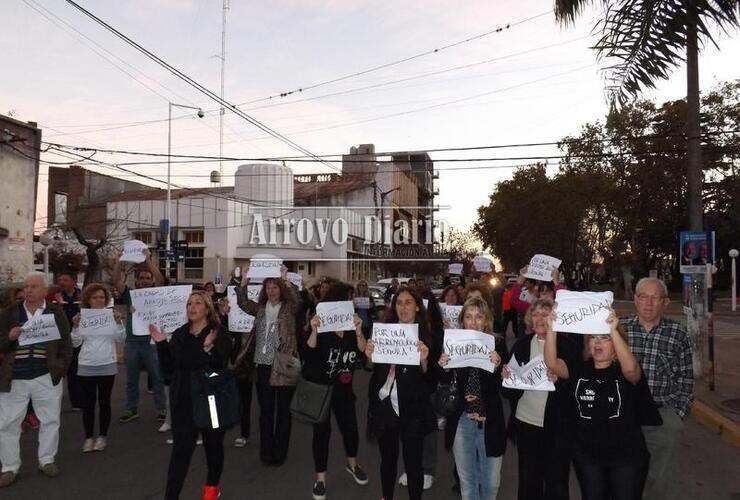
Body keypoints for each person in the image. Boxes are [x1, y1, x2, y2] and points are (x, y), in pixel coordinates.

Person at [544, 307, 657, 500]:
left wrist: (613, 329)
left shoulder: (624, 370)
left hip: (626, 456)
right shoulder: (579, 368)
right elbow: (552, 364)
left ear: (615, 344)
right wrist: (551, 329)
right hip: (588, 455)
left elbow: (632, 371)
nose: (597, 342)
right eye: (593, 338)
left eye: (604, 338)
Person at [151, 290, 232, 500]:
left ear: (207, 308)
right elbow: (170, 370)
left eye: (197, 303)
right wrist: (161, 344)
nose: (192, 307)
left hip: (211, 401)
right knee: (180, 455)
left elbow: (217, 368)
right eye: (189, 303)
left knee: (213, 448)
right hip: (184, 402)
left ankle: (212, 490)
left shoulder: (219, 333)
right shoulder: (179, 334)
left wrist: (206, 354)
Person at [619, 278, 693, 500]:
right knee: (624, 474)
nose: (648, 303)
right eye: (643, 296)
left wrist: (677, 416)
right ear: (635, 299)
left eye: (655, 297)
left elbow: (686, 378)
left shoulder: (677, 333)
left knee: (659, 479)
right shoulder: (619, 329)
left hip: (663, 417)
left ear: (665, 303)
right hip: (625, 417)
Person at [502, 297, 580, 500]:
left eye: (545, 314)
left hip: (558, 427)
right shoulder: (521, 345)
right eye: (535, 314)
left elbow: (577, 384)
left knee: (556, 482)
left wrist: (559, 381)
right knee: (529, 482)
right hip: (526, 422)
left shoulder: (568, 346)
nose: (539, 319)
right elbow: (509, 393)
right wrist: (507, 379)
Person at [0, 272, 73, 487]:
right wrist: (9, 338)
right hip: (14, 377)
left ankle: (47, 460)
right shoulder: (9, 313)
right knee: (8, 423)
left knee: (50, 420)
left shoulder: (56, 312)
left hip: (45, 375)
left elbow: (66, 344)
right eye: (26, 286)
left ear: (44, 290)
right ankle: (9, 467)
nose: (28, 290)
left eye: (33, 286)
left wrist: (60, 368)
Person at [366, 286, 436, 500]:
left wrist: (424, 360)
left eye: (408, 302)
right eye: (399, 302)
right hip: (385, 404)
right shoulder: (384, 332)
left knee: (413, 462)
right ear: (393, 307)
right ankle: (386, 496)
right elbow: (373, 368)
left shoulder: (427, 335)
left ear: (417, 307)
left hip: (412, 408)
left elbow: (433, 379)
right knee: (387, 459)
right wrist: (368, 355)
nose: (403, 307)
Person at [304, 282, 369, 500]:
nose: (352, 302)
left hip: (344, 389)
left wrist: (359, 331)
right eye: (349, 298)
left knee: (350, 429)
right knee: (321, 434)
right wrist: (313, 330)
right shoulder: (322, 323)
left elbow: (363, 354)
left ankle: (353, 464)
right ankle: (320, 479)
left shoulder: (352, 324)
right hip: (321, 388)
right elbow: (308, 351)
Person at [438, 297, 507, 500]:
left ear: (486, 320)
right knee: (467, 482)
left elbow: (505, 387)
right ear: (463, 321)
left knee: (491, 483)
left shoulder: (498, 344)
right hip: (462, 419)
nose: (474, 322)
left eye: (479, 317)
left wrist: (497, 367)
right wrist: (444, 365)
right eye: (469, 317)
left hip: (490, 419)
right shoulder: (454, 344)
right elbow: (442, 380)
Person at [236, 264, 300, 466]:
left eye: (275, 287)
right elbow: (243, 303)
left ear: (281, 289)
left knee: (283, 412)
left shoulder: (289, 308)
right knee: (265, 411)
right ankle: (266, 452)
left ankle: (280, 453)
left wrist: (286, 279)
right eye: (269, 288)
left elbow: (298, 301)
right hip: (262, 365)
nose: (272, 291)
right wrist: (245, 280)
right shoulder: (260, 309)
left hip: (283, 365)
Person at [112, 250, 168, 424]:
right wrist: (120, 261)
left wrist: (148, 260)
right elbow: (116, 281)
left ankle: (162, 409)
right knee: (131, 379)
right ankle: (131, 409)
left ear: (151, 281)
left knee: (158, 378)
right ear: (137, 281)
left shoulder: (155, 293)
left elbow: (161, 280)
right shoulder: (130, 295)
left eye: (147, 278)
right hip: (132, 342)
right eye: (141, 278)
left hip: (151, 343)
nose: (144, 281)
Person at [70, 284, 125, 453]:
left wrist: (119, 323)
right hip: (87, 364)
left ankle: (102, 436)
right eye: (95, 297)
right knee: (88, 404)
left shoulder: (112, 316)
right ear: (88, 300)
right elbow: (75, 342)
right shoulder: (82, 317)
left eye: (102, 297)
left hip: (107, 364)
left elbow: (121, 338)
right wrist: (75, 326)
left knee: (104, 402)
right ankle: (88, 437)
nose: (99, 300)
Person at [50, 270, 84, 410]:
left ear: (74, 281)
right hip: (59, 340)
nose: (61, 282)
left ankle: (77, 402)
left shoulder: (82, 296)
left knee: (74, 370)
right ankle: (51, 401)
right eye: (60, 280)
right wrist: (57, 307)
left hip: (77, 338)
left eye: (65, 279)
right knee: (56, 369)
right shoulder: (54, 297)